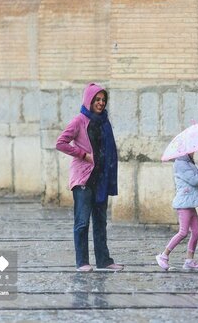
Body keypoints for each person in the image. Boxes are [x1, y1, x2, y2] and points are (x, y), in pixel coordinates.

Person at [56, 83, 123, 272]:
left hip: (101, 178)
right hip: (83, 180)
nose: (101, 103)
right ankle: (82, 262)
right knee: (82, 221)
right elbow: (61, 143)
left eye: (103, 100)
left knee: (101, 222)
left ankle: (104, 261)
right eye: (97, 99)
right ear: (89, 100)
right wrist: (84, 155)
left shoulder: (104, 121)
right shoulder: (79, 120)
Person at [155, 152, 198, 271]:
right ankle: (163, 255)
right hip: (184, 203)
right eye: (191, 151)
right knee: (183, 232)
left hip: (190, 202)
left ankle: (189, 260)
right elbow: (193, 180)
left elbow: (196, 174)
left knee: (196, 232)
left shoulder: (188, 163)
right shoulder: (180, 164)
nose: (193, 152)